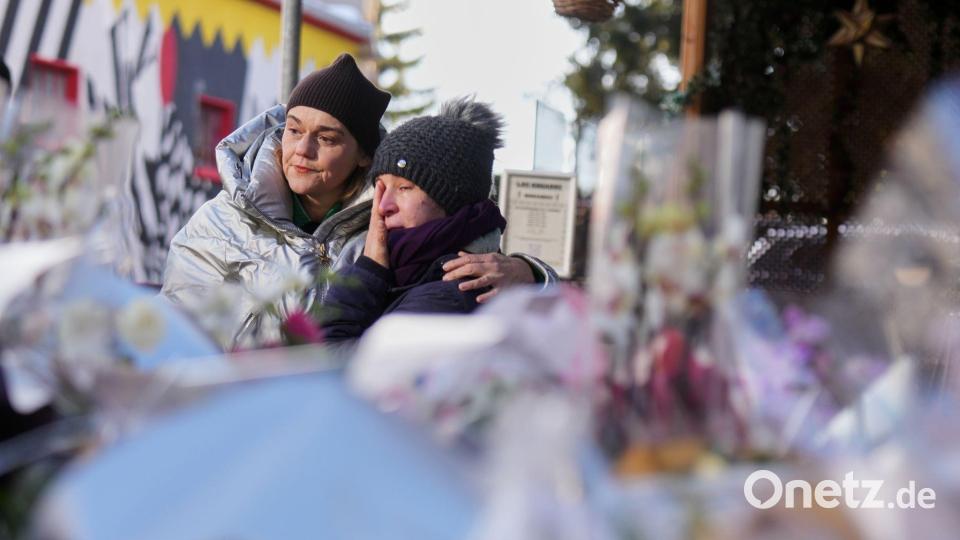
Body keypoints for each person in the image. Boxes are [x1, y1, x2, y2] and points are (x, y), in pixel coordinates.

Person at [161, 54, 555, 348]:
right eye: (294, 130)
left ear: (364, 154)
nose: (302, 149)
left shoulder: (394, 224)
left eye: (328, 138)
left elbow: (469, 261)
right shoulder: (220, 221)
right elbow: (173, 336)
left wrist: (529, 272)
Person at [320, 97, 524, 343]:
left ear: (453, 201)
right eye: (381, 188)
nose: (383, 206)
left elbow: (329, 362)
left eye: (405, 188)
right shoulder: (404, 271)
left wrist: (368, 269)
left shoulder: (452, 292)